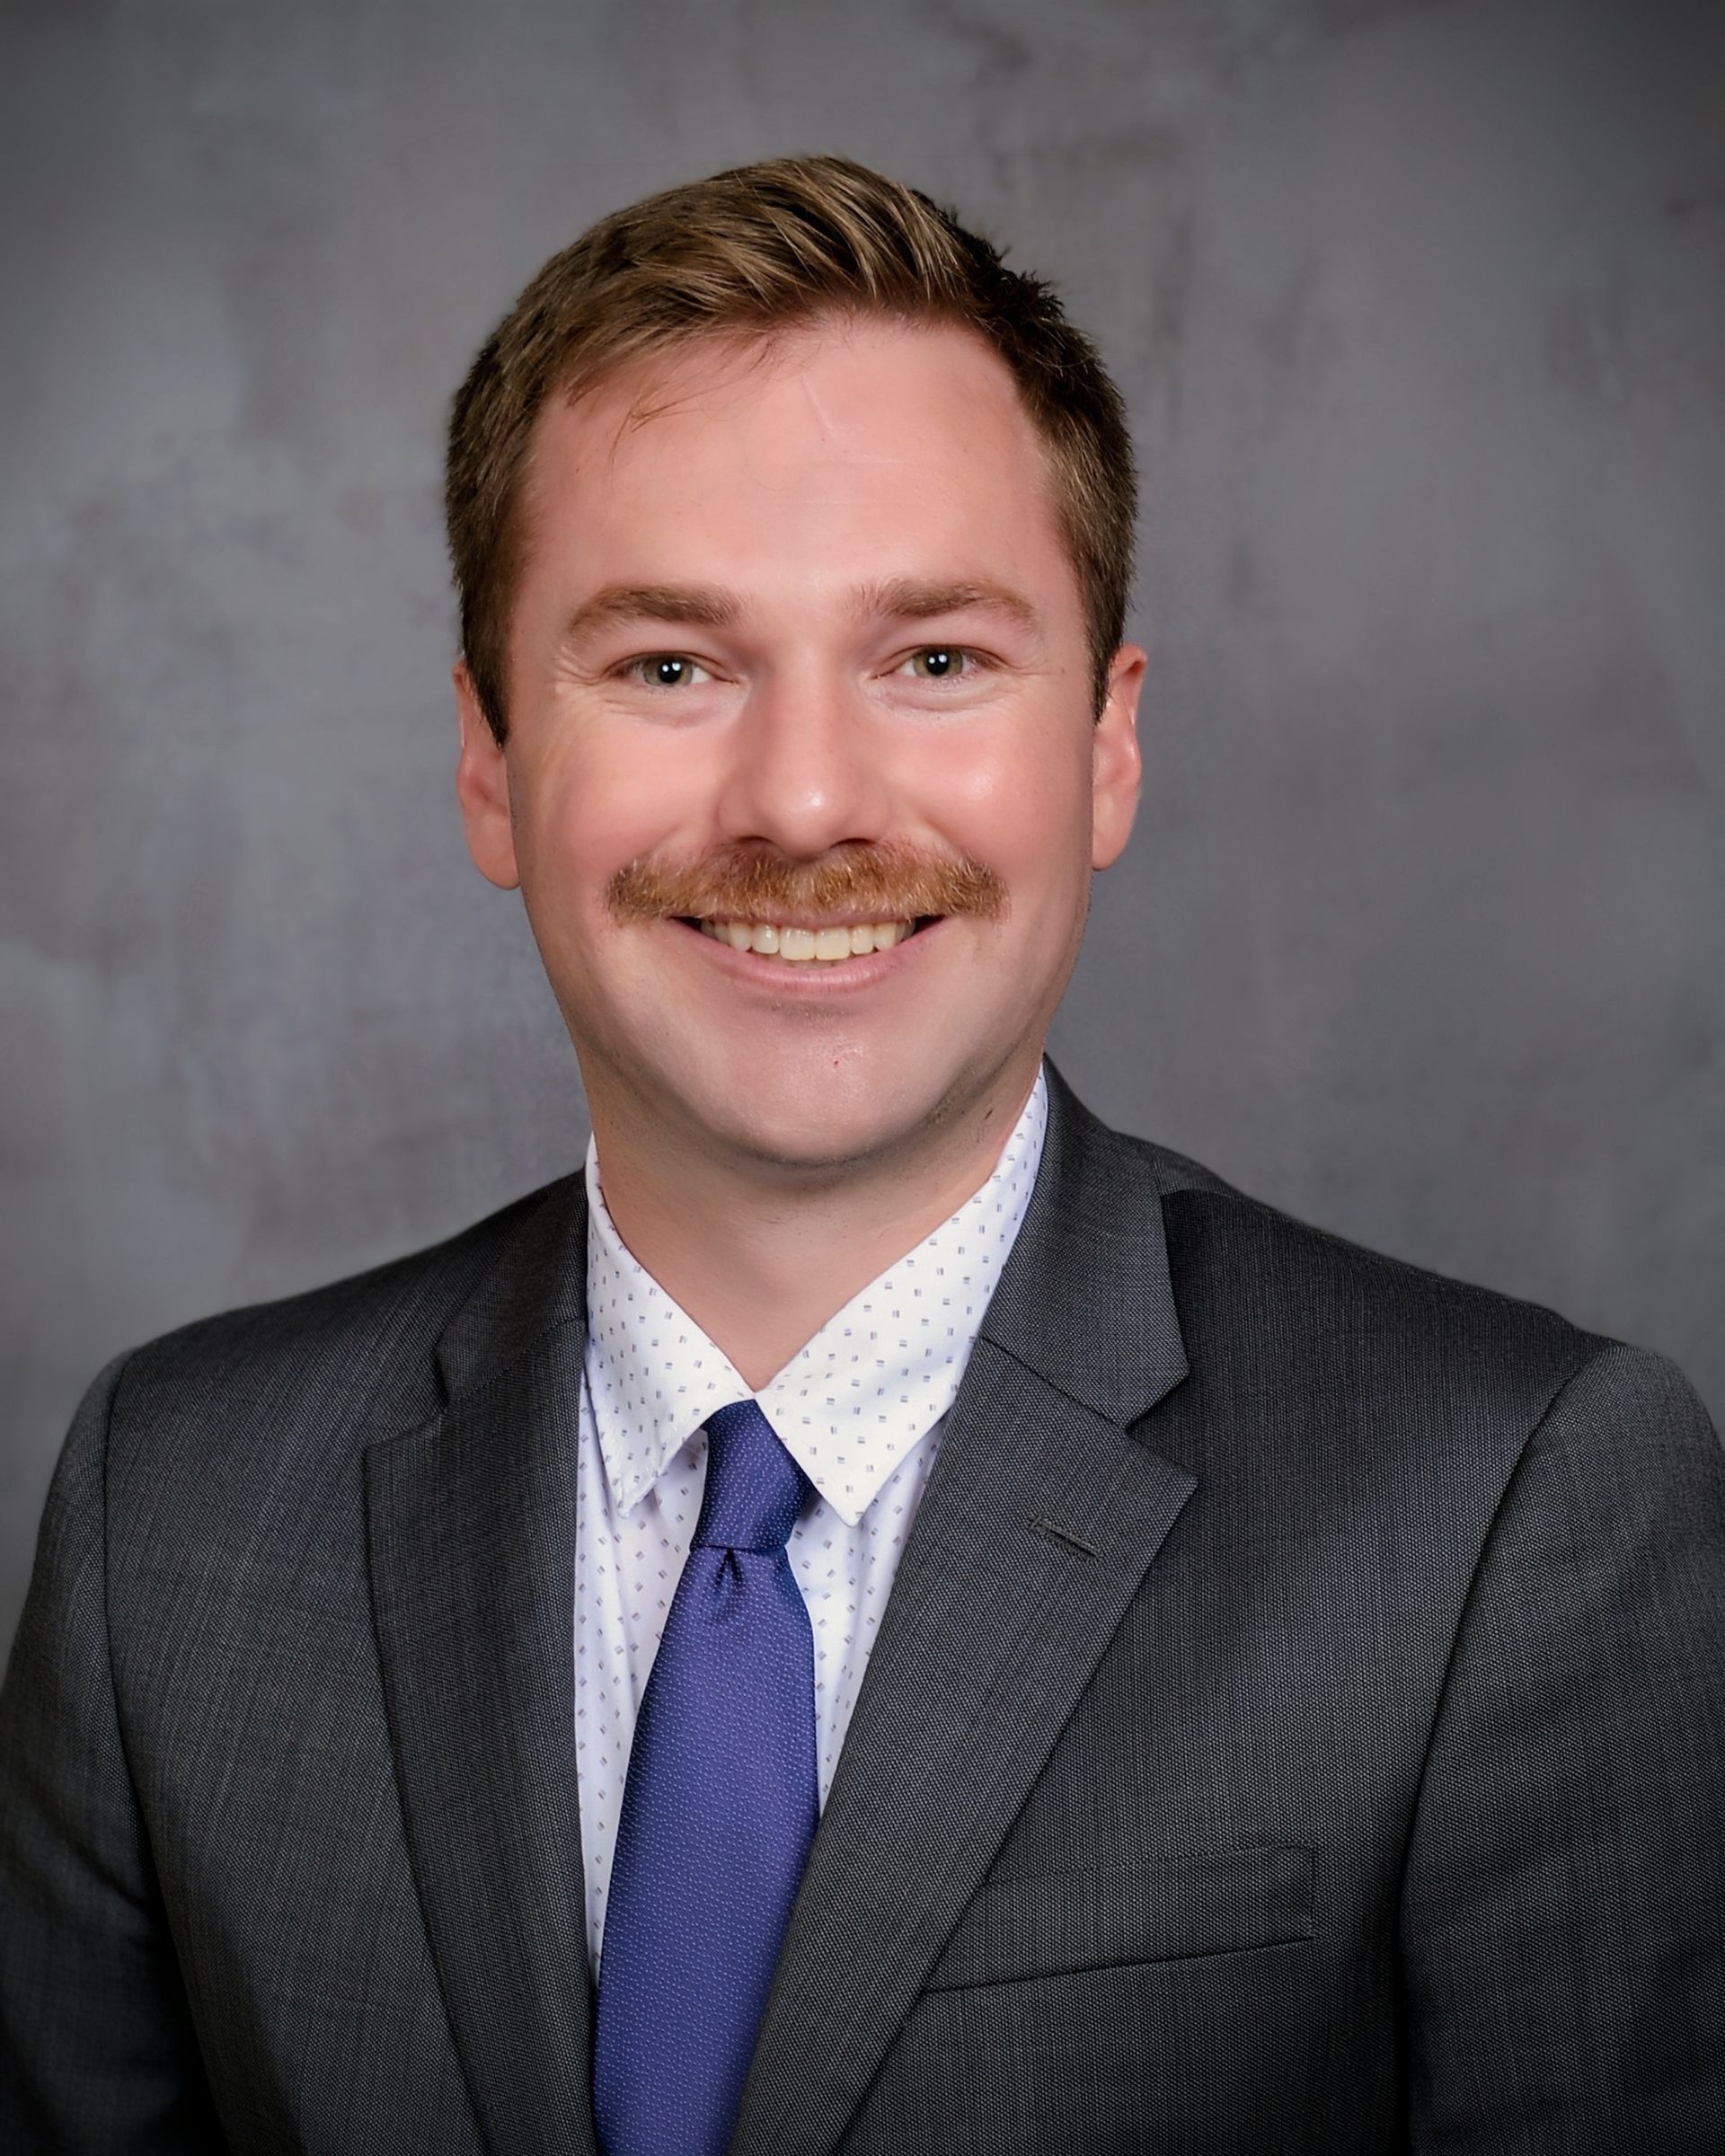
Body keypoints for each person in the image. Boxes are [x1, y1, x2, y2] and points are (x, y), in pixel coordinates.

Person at [3, 154, 1722, 2156]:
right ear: (488, 760)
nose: (805, 798)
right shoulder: (179, 1517)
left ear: (1104, 751)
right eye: (669, 665)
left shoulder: (1511, 1514)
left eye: (934, 661)